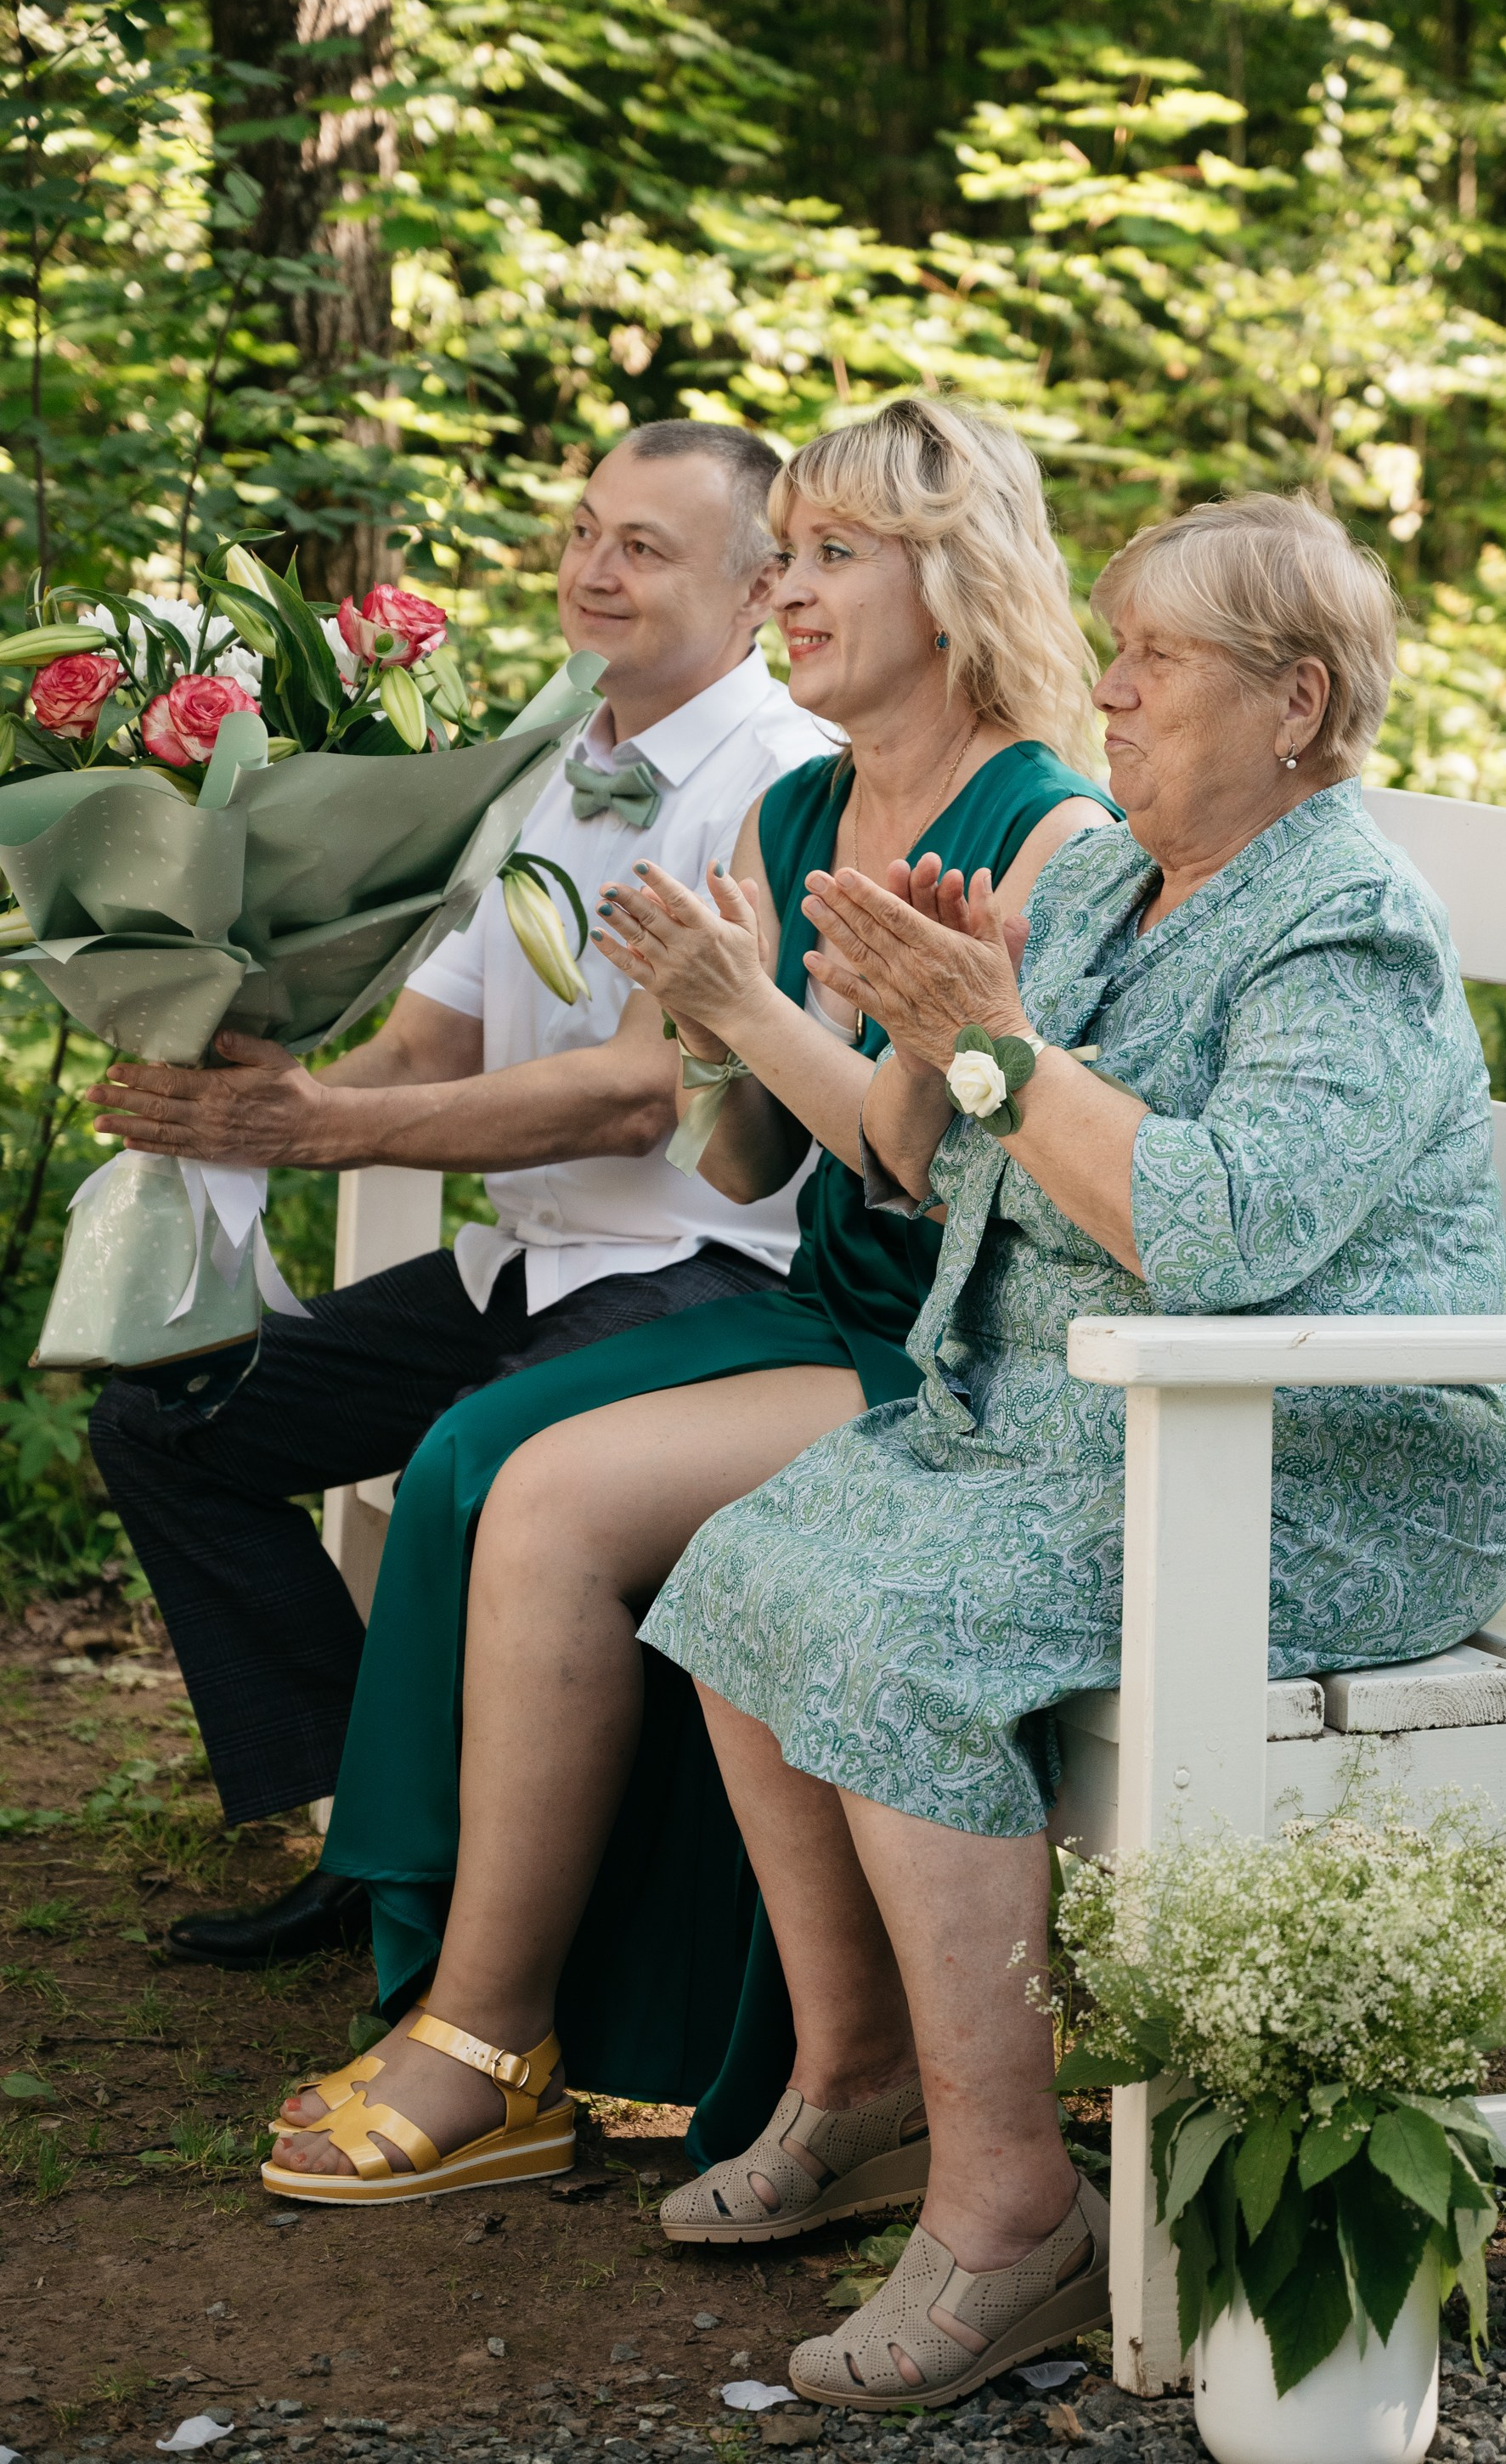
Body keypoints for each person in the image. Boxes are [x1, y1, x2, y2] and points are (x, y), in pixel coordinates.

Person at [635, 493, 1506, 2406]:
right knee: (745, 1574)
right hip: (1068, 1425)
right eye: (1114, 651)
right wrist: (916, 1023)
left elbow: (1218, 1228)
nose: (1108, 694)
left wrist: (995, 1048)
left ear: (1296, 702)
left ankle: (1008, 2214)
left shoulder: (1348, 923)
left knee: (907, 1639)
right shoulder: (1103, 882)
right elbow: (940, 1148)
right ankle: (864, 2075)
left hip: (1323, 1466)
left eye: (1155, 661)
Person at [258, 397, 1114, 2202]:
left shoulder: (1047, 820)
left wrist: (749, 1004)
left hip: (954, 1349)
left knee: (548, 1489)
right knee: (491, 1449)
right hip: (823, 1300)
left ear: (950, 580)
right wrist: (726, 1009)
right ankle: (482, 1999)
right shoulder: (807, 796)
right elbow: (748, 1171)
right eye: (785, 557)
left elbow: (920, 1173)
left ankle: (490, 2042)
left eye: (830, 558)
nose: (789, 596)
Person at [85, 420, 832, 1967]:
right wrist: (233, 1105)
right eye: (583, 530)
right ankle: (366, 1824)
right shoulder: (557, 757)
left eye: (645, 547)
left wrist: (319, 1138)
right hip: (534, 1264)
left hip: (716, 1280)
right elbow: (429, 1039)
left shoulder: (786, 781)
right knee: (166, 1416)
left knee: (469, 1467)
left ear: (763, 590)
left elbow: (646, 1090)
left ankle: (482, 1910)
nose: (592, 569)